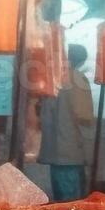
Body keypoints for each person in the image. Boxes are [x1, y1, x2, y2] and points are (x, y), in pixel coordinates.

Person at [39, 44, 96, 201]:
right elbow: (84, 114)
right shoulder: (77, 79)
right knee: (72, 204)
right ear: (80, 60)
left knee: (60, 202)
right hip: (70, 151)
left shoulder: (51, 77)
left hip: (55, 151)